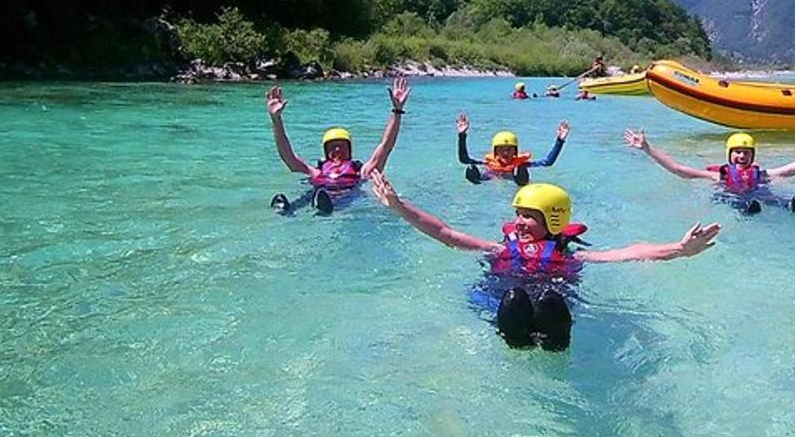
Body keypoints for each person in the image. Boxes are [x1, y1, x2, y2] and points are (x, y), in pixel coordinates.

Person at [371, 172, 720, 350]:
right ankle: (516, 338)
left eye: (529, 216)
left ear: (553, 220)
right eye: (518, 214)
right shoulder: (498, 249)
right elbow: (446, 233)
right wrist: (400, 207)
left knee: (551, 302)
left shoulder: (571, 255)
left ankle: (554, 342)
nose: (520, 222)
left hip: (551, 304)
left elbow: (630, 252)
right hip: (504, 302)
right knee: (514, 300)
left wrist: (680, 248)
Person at [267, 77, 409, 215]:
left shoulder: (361, 172)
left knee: (344, 198)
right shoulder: (317, 172)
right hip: (319, 192)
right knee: (309, 196)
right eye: (333, 147)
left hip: (345, 196)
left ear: (350, 150)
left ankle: (325, 207)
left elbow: (386, 146)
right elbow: (287, 156)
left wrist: (397, 112)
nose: (337, 150)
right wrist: (276, 119)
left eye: (341, 146)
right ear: (325, 151)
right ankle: (287, 208)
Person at [623, 128, 795, 215]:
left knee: (772, 197)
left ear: (752, 156)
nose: (742, 156)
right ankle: (746, 211)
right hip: (731, 196)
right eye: (737, 152)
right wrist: (647, 148)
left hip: (756, 194)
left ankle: (791, 207)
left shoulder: (760, 175)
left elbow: (794, 168)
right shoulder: (718, 175)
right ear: (730, 155)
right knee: (732, 200)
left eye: (746, 153)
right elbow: (679, 170)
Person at [457, 113, 570, 186]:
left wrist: (560, 141)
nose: (505, 152)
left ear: (515, 151)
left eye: (510, 149)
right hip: (491, 178)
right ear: (495, 152)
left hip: (516, 179)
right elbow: (464, 159)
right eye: (501, 149)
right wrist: (462, 135)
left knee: (521, 170)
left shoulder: (521, 164)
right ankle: (476, 182)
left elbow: (548, 162)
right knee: (471, 168)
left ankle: (522, 184)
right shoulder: (488, 163)